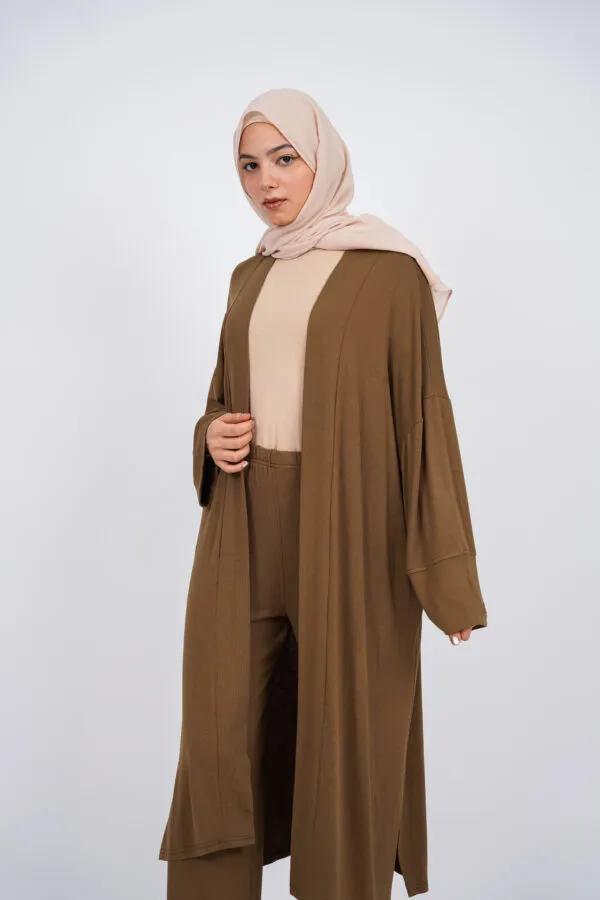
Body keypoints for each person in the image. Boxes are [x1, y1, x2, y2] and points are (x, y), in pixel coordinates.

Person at [158, 87, 488, 900]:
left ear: (323, 159)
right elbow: (222, 395)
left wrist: (447, 579)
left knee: (343, 742)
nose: (266, 181)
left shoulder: (389, 273)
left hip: (351, 529)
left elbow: (424, 421)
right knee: (218, 739)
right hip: (243, 528)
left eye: (284, 159)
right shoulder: (249, 276)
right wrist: (210, 434)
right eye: (249, 165)